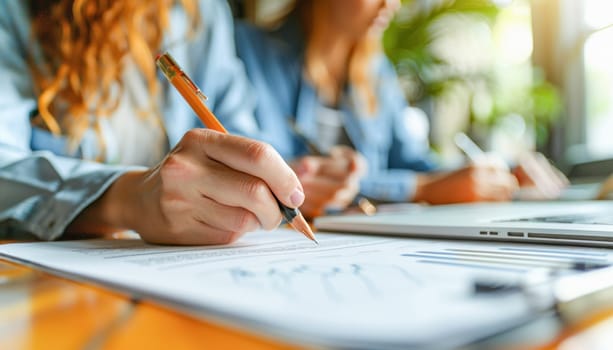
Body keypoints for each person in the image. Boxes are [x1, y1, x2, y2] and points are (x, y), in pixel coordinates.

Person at [0, 0, 312, 245]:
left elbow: (238, 133)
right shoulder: (14, 11)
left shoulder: (202, 12)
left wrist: (272, 175)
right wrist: (126, 200)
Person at [232, 0, 566, 210]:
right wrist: (420, 190)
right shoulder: (245, 51)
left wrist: (505, 170)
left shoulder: (376, 72)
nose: (390, 5)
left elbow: (414, 162)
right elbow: (265, 178)